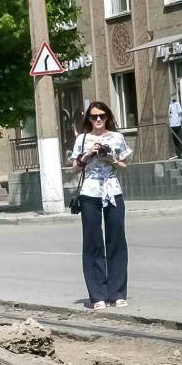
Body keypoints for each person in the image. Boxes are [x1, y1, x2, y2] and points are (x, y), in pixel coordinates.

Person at [70, 101, 132, 310]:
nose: (98, 120)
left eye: (102, 116)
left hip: (113, 192)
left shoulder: (117, 137)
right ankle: (97, 295)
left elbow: (124, 167)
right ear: (88, 119)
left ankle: (118, 293)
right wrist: (88, 155)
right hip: (90, 194)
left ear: (108, 117)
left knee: (116, 241)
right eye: (94, 116)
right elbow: (74, 169)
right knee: (93, 243)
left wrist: (109, 158)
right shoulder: (82, 139)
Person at [168, 94, 182, 159]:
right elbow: (180, 113)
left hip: (173, 125)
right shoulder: (176, 104)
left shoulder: (171, 105)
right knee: (178, 139)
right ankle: (179, 153)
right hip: (176, 125)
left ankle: (179, 153)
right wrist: (179, 121)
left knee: (176, 140)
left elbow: (170, 115)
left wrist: (171, 123)